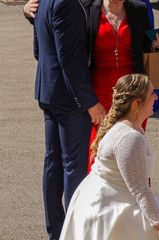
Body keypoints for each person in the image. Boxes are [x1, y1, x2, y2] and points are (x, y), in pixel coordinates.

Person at [23, 0, 159, 172]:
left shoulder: (139, 9)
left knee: (132, 146)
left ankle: (133, 192)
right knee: (98, 148)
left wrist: (156, 45)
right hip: (99, 90)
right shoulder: (87, 8)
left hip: (132, 92)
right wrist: (28, 12)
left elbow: (145, 48)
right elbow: (58, 24)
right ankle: (98, 193)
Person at [59, 74, 159, 240]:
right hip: (108, 206)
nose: (156, 97)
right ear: (137, 104)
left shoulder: (130, 126)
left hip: (107, 196)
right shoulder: (129, 137)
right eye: (151, 94)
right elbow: (140, 189)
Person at [32, 0, 106, 239]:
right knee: (74, 167)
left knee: (53, 163)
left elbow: (38, 49)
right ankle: (74, 231)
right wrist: (89, 102)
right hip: (68, 98)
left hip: (49, 91)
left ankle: (56, 229)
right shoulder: (68, 4)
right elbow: (70, 59)